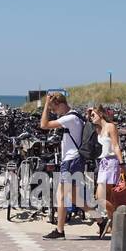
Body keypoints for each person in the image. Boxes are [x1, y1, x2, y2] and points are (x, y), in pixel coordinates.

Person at [39, 92, 86, 239]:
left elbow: (44, 125)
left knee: (62, 196)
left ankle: (60, 231)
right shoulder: (75, 116)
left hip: (71, 160)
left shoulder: (70, 118)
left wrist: (46, 104)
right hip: (71, 160)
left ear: (60, 105)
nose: (53, 112)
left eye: (54, 109)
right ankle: (100, 220)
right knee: (71, 197)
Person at [88, 105, 123, 238]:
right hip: (102, 164)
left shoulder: (110, 126)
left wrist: (121, 163)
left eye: (93, 115)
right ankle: (113, 224)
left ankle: (116, 219)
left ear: (100, 114)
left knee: (101, 198)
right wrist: (88, 113)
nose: (92, 117)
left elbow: (115, 145)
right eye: (91, 116)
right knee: (105, 197)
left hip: (111, 163)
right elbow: (87, 128)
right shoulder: (98, 129)